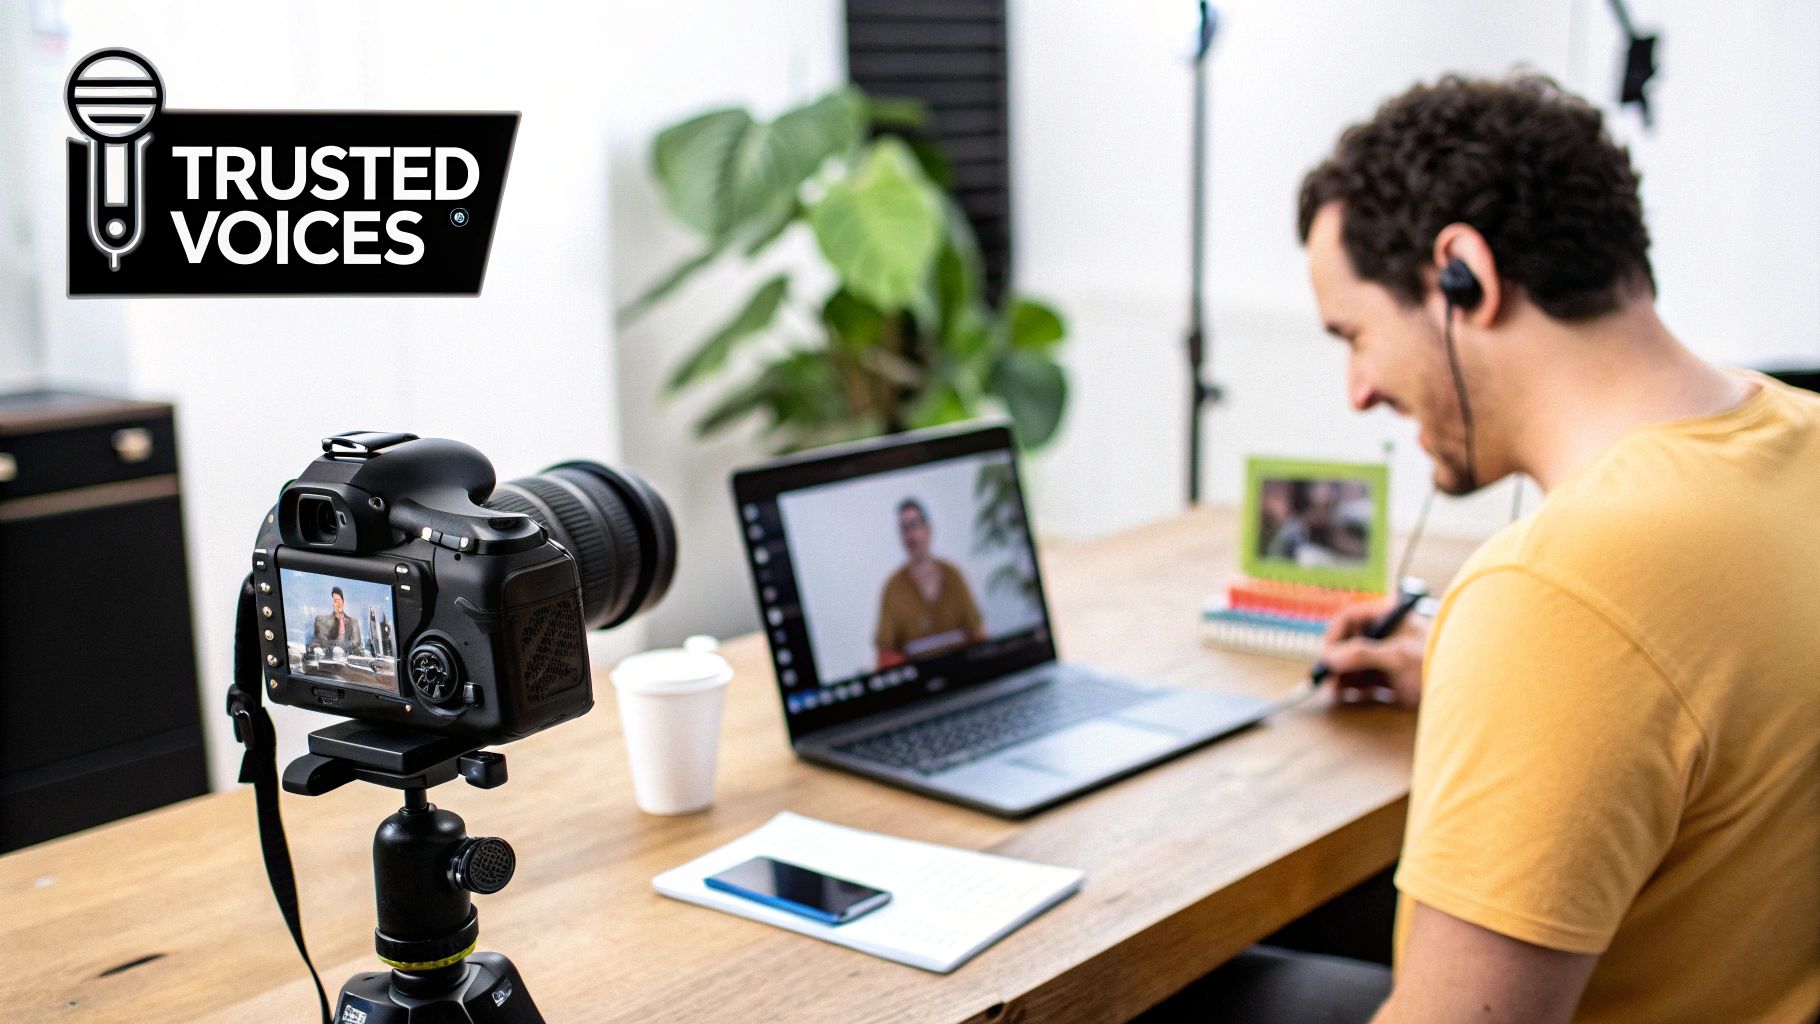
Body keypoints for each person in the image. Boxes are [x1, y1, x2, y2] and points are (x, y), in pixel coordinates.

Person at [1157, 74, 1820, 1024]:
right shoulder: (1801, 438)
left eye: (1355, 335)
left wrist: (1532, 650)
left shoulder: (1556, 591)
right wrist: (1483, 673)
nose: (1357, 390)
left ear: (1461, 273)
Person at [874, 498, 985, 667]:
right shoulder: (892, 587)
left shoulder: (953, 575)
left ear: (928, 530)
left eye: (914, 525)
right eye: (904, 529)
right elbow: (885, 652)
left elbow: (977, 633)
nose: (910, 535)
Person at [311, 586, 363, 654]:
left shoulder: (353, 622)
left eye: (340, 600)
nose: (338, 604)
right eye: (335, 601)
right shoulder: (322, 621)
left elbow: (356, 642)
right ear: (332, 603)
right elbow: (320, 643)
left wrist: (334, 645)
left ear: (343, 602)